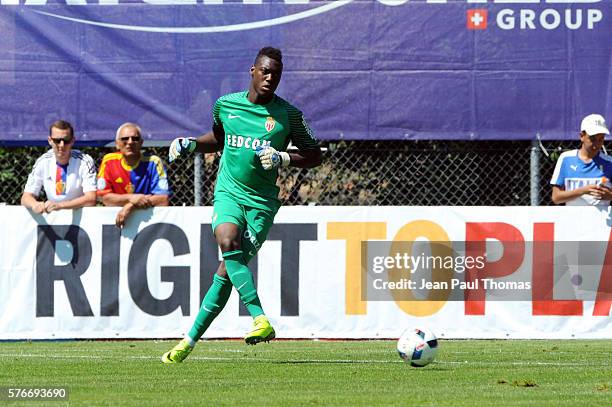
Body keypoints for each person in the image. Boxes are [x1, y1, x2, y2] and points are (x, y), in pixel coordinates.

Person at [161, 47, 322, 363]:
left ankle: (187, 343)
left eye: (276, 73)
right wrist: (191, 143)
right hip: (229, 194)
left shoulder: (288, 116)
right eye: (265, 71)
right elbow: (219, 140)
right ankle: (260, 318)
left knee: (225, 274)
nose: (270, 77)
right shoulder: (225, 106)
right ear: (252, 71)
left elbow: (315, 155)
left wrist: (283, 157)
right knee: (227, 240)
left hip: (261, 204)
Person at [97, 122, 170, 227]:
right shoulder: (108, 161)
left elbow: (163, 199)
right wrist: (132, 198)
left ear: (141, 143)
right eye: (125, 139)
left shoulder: (154, 162)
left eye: (135, 139)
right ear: (117, 143)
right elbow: (105, 198)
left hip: (149, 223)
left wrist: (131, 206)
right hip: (116, 223)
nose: (130, 142)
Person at [21, 120, 97, 213]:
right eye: (57, 141)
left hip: (80, 220)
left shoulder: (85, 161)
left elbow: (91, 198)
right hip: (53, 220)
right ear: (50, 140)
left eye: (66, 141)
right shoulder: (43, 161)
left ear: (73, 141)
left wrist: (60, 206)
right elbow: (26, 197)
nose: (61, 145)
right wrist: (35, 205)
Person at [551, 113, 612, 206]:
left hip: (602, 220)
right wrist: (583, 191)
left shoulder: (609, 162)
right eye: (592, 138)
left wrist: (610, 195)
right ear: (581, 136)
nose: (597, 144)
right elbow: (556, 197)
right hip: (573, 218)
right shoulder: (566, 159)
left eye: (601, 139)